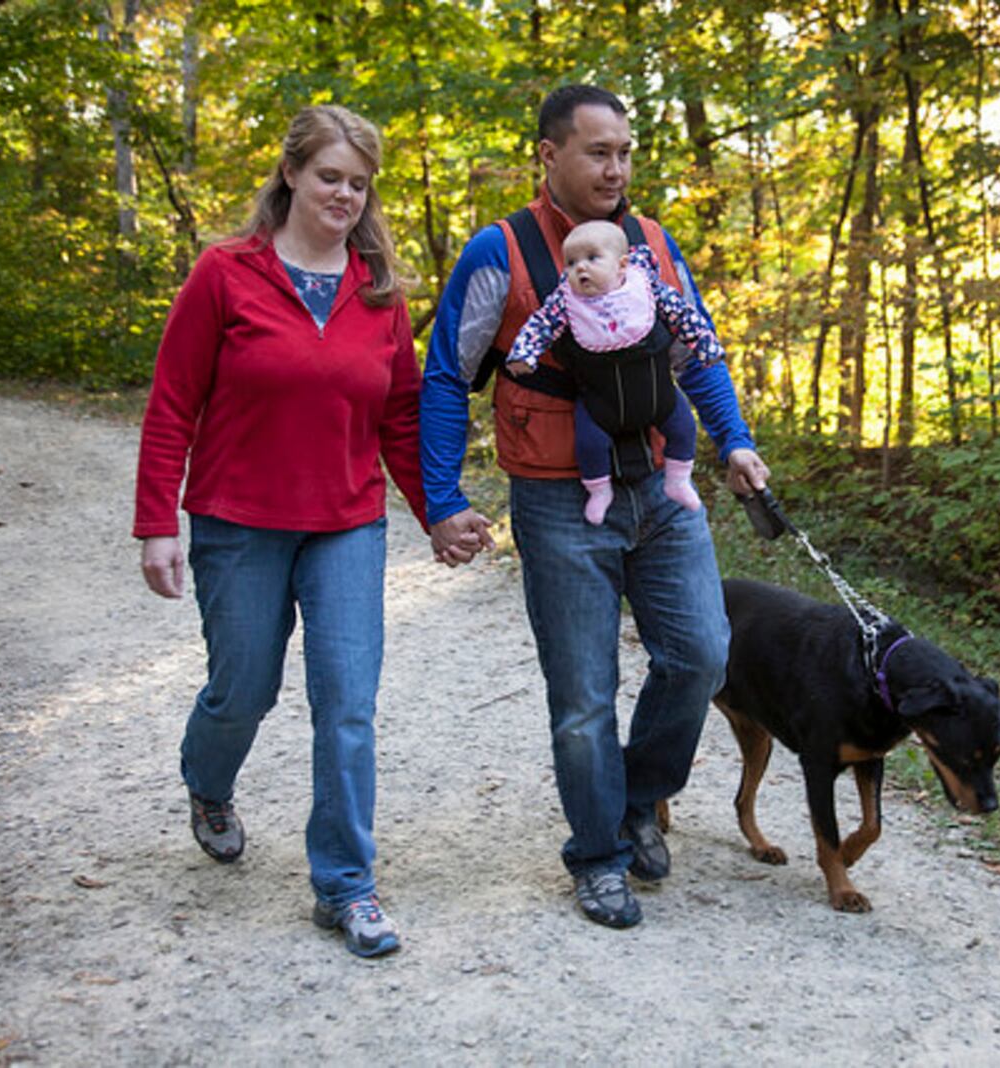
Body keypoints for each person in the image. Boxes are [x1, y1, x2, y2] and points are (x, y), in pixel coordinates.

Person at [420, 84, 770, 929]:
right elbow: (442, 377)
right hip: (555, 500)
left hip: (663, 486)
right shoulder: (496, 254)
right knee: (582, 695)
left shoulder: (650, 243)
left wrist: (734, 441)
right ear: (549, 154)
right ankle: (598, 856)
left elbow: (697, 353)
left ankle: (639, 798)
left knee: (702, 653)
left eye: (624, 153)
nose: (616, 169)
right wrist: (441, 497)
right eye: (597, 152)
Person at [132, 104, 467, 958]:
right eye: (330, 177)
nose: (345, 195)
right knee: (243, 688)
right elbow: (173, 402)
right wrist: (156, 524)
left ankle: (347, 886)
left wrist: (437, 514)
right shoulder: (226, 273)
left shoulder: (379, 291)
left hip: (346, 525)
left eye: (359, 183)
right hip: (237, 520)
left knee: (348, 705)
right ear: (291, 175)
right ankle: (209, 784)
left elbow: (399, 417)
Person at [506, 220, 724, 524]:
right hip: (599, 405)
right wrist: (524, 354)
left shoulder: (647, 288)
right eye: (571, 262)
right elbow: (539, 326)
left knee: (684, 427)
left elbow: (684, 316)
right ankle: (599, 490)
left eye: (593, 258)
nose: (580, 268)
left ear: (622, 265)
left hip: (658, 396)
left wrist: (706, 347)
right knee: (589, 444)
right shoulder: (566, 301)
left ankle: (678, 480)